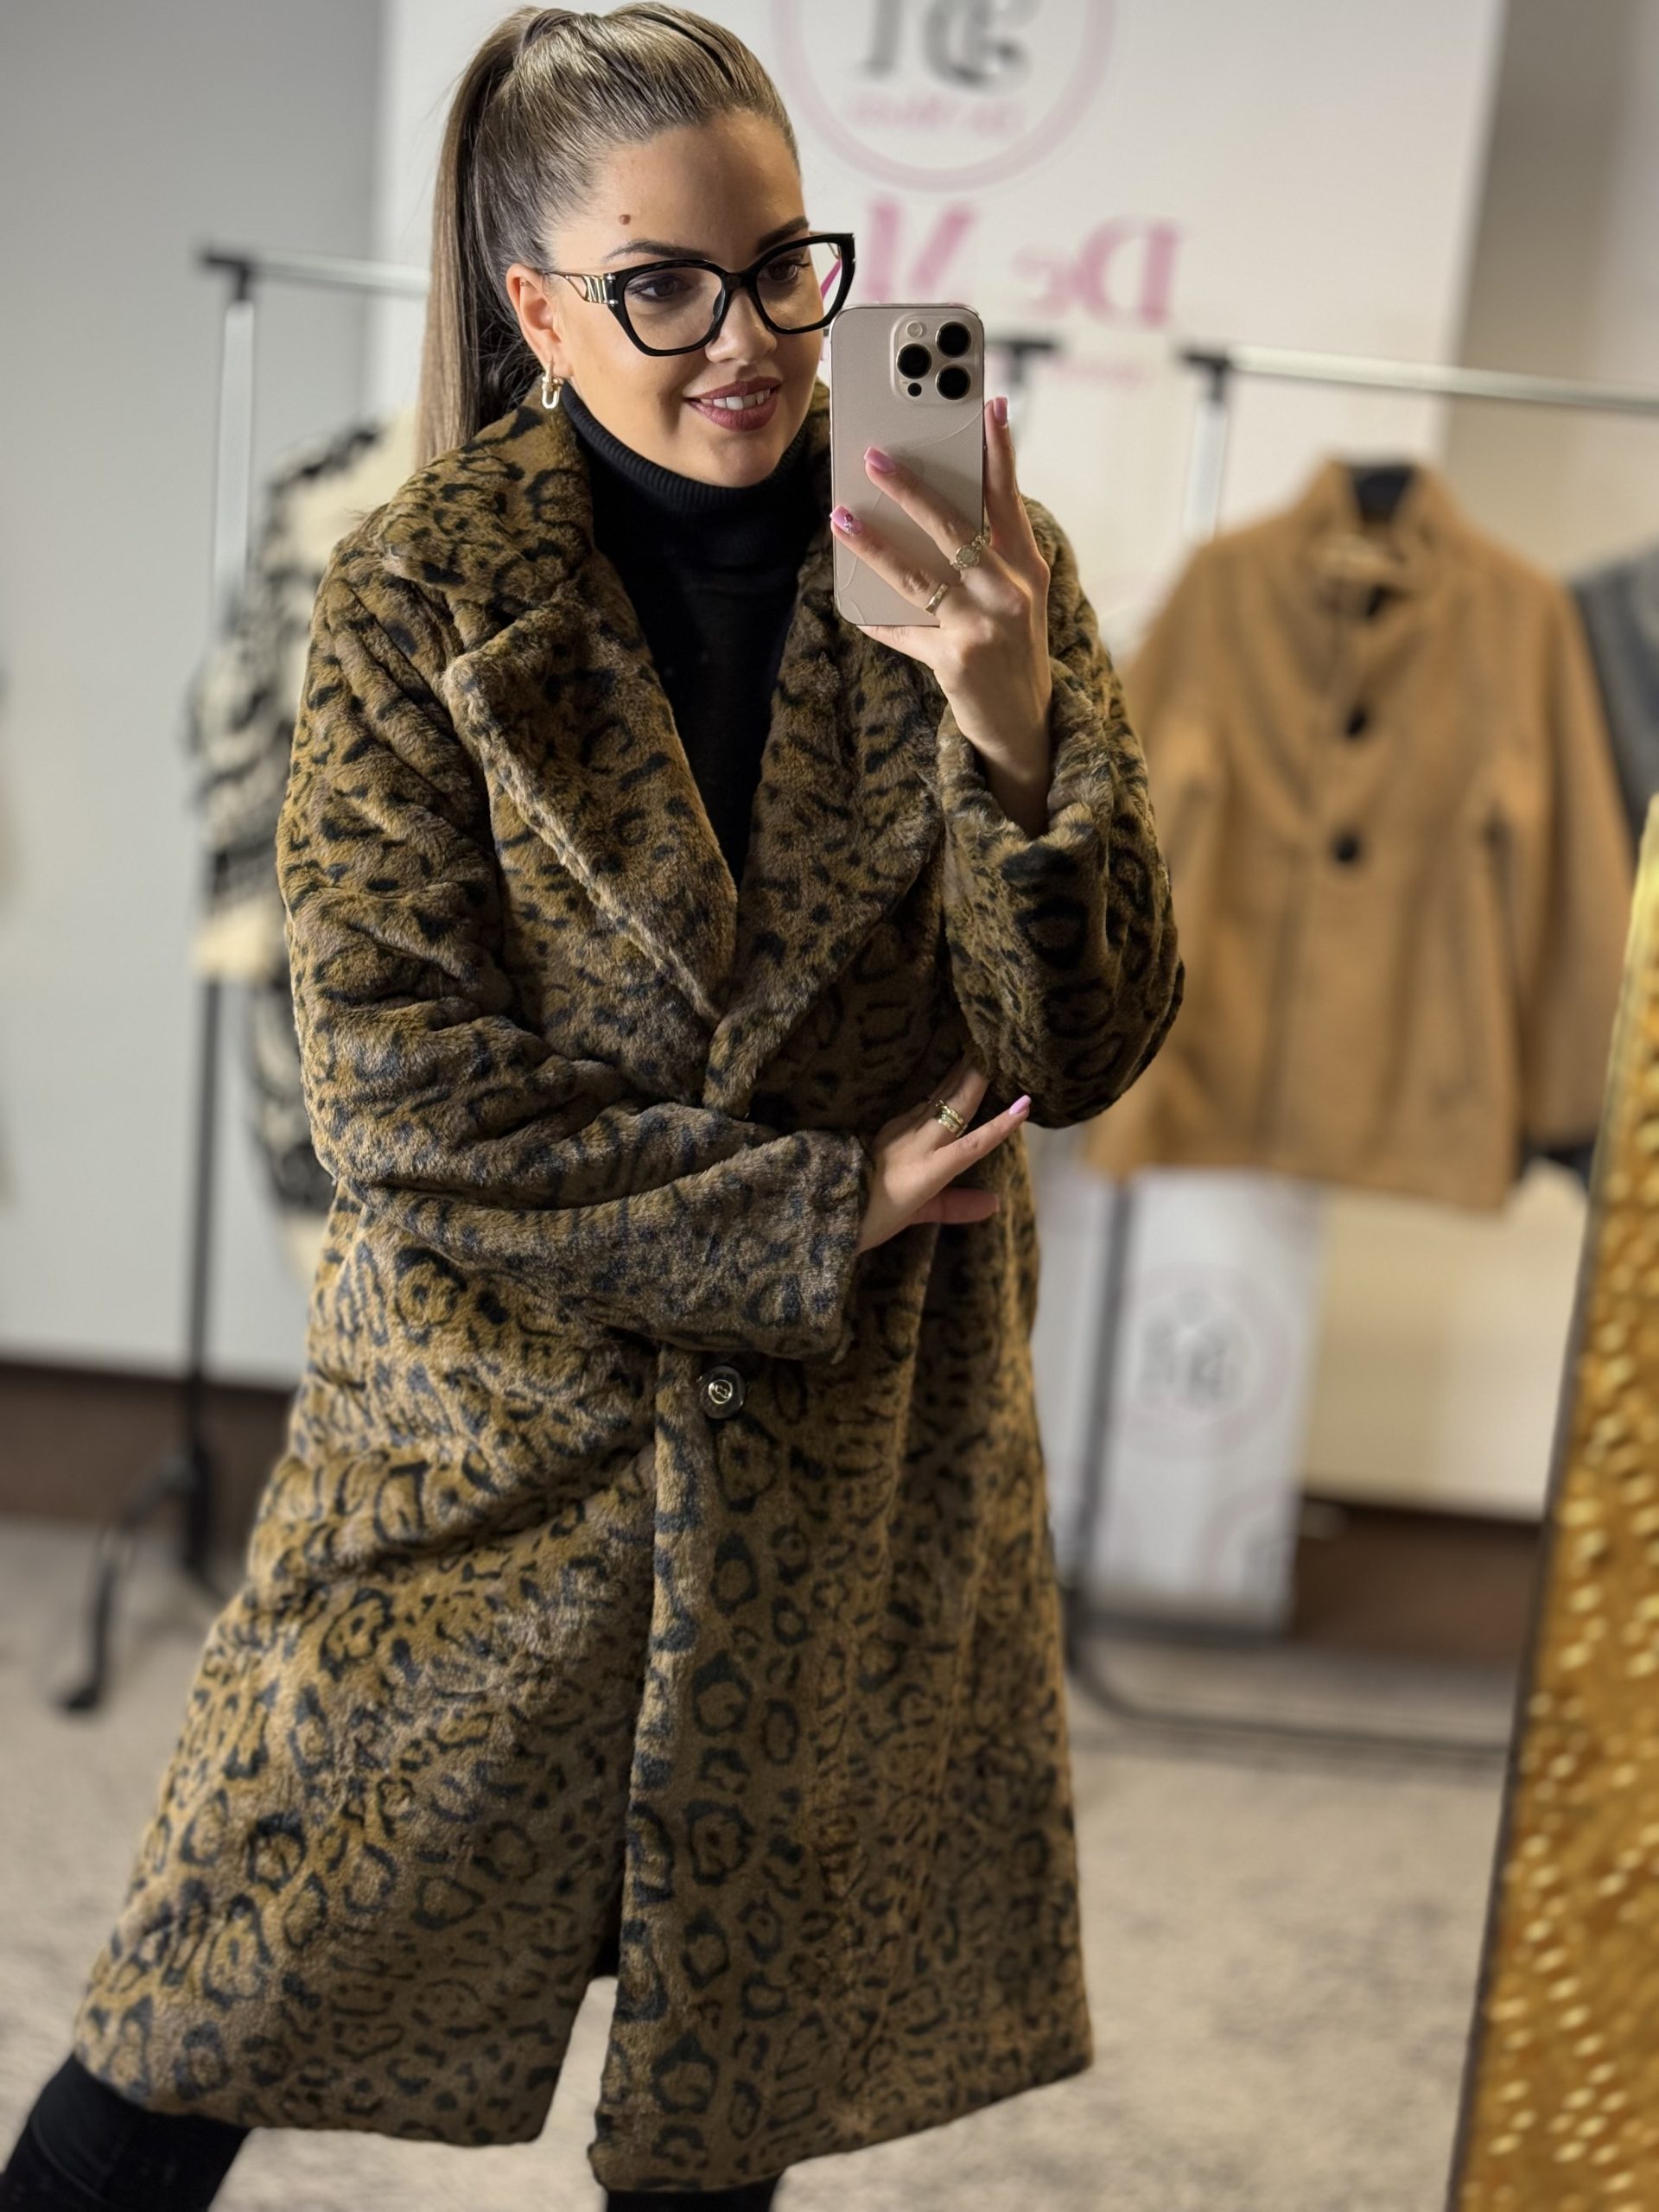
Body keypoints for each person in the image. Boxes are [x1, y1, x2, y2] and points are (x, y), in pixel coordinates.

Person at [0, 8, 1180, 2208]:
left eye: (783, 267)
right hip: (490, 1460)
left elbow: (1089, 1041)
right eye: (665, 287)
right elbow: (398, 1090)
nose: (750, 339)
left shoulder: (973, 564)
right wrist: (808, 1206)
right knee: (189, 2022)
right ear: (536, 308)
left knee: (722, 2102)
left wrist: (1012, 724)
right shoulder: (418, 590)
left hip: (840, 1482)